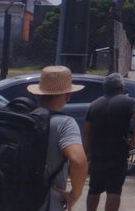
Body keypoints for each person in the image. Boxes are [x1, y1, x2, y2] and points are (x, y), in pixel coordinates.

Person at [28, 66, 88, 211]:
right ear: (68, 96)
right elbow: (78, 161)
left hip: (16, 198)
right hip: (47, 202)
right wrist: (75, 195)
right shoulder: (65, 123)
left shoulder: (25, 119)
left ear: (38, 94)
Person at [82, 73, 135, 211]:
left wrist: (86, 152)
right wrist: (134, 142)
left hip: (97, 154)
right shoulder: (128, 101)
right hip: (117, 153)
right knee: (114, 189)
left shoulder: (95, 104)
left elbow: (86, 130)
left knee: (94, 188)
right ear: (121, 87)